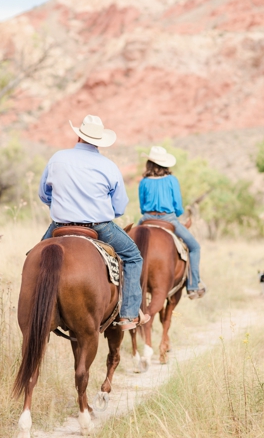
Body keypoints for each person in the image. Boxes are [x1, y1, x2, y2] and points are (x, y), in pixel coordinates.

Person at [39, 115, 147, 331]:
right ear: (99, 141)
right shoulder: (108, 166)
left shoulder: (57, 158)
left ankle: (34, 304)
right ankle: (128, 315)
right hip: (98, 226)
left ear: (79, 136)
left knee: (34, 258)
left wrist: (61, 204)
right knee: (133, 257)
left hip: (60, 226)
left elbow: (44, 194)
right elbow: (119, 207)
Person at [137, 146, 206, 299]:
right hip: (169, 219)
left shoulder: (144, 182)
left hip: (146, 219)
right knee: (194, 247)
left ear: (149, 163)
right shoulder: (172, 180)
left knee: (127, 247)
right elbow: (178, 206)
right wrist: (178, 216)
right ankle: (193, 286)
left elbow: (142, 207)